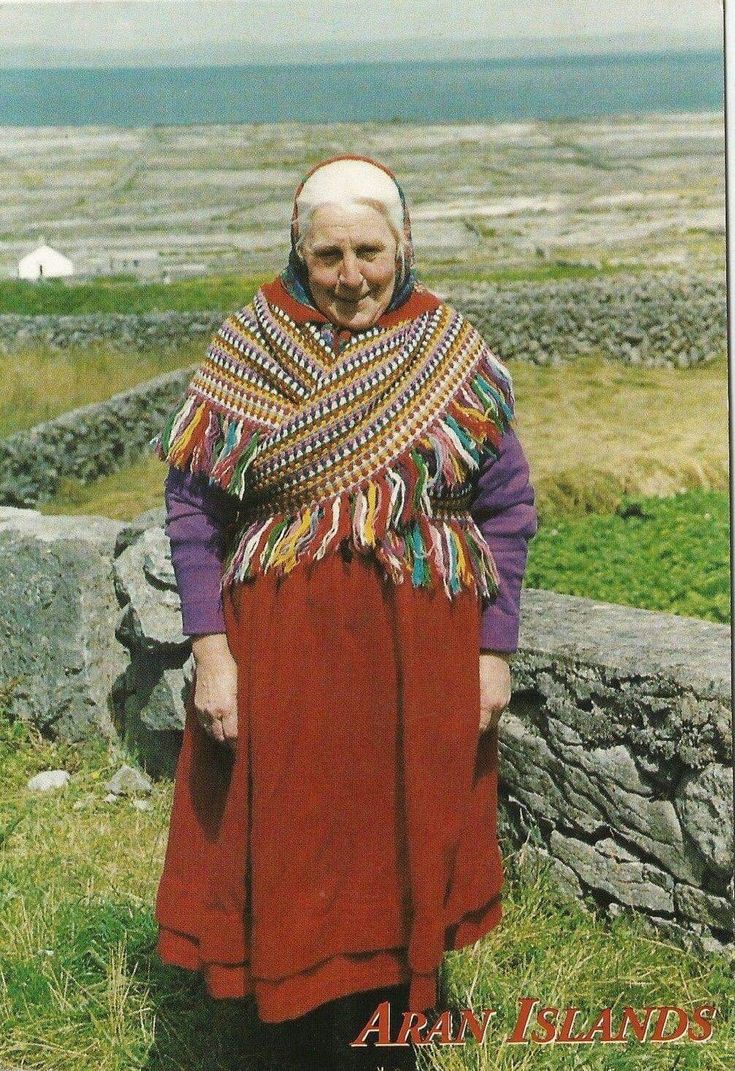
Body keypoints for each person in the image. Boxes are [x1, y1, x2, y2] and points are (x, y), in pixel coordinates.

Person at [150, 155, 538, 1071]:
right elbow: (193, 511)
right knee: (287, 834)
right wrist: (213, 652)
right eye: (329, 255)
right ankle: (282, 1023)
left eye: (369, 250)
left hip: (420, 646)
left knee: (401, 833)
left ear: (403, 246)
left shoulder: (450, 351)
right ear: (298, 248)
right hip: (281, 647)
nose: (351, 276)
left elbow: (508, 507)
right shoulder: (248, 344)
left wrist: (493, 648)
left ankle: (388, 1032)